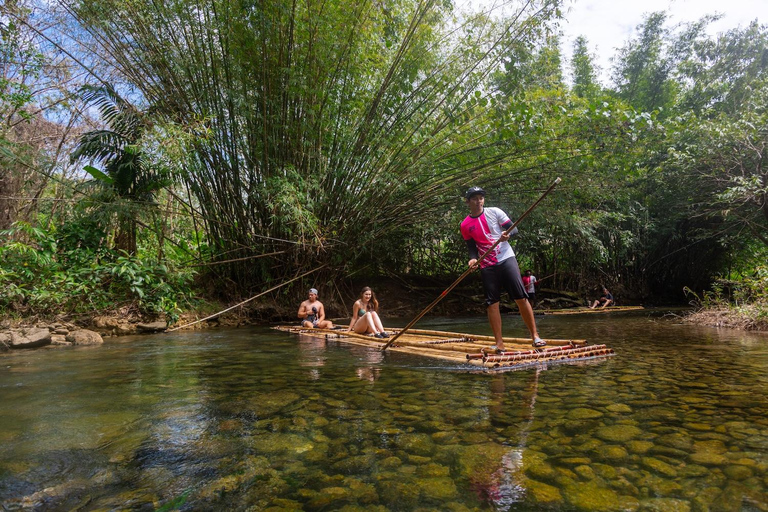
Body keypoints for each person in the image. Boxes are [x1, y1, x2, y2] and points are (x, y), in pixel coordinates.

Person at [461, 186, 546, 352]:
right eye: (474, 198)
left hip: (506, 258)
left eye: (481, 198)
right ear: (468, 201)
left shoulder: (495, 212)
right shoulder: (465, 224)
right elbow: (471, 247)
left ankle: (535, 336)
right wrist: (472, 259)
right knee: (492, 303)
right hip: (487, 264)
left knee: (521, 297)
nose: (478, 201)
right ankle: (499, 343)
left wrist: (507, 235)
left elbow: (513, 228)